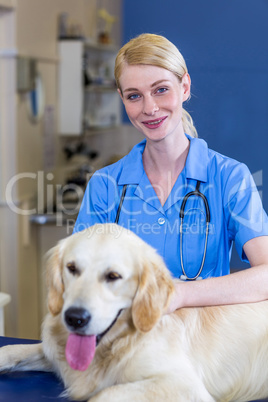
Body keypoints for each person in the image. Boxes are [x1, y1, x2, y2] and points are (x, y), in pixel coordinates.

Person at [73, 33, 268, 313]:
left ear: (185, 86)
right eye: (134, 96)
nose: (149, 108)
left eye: (161, 89)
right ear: (122, 99)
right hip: (127, 343)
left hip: (201, 346)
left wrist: (180, 294)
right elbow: (80, 276)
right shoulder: (105, 185)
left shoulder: (230, 177)